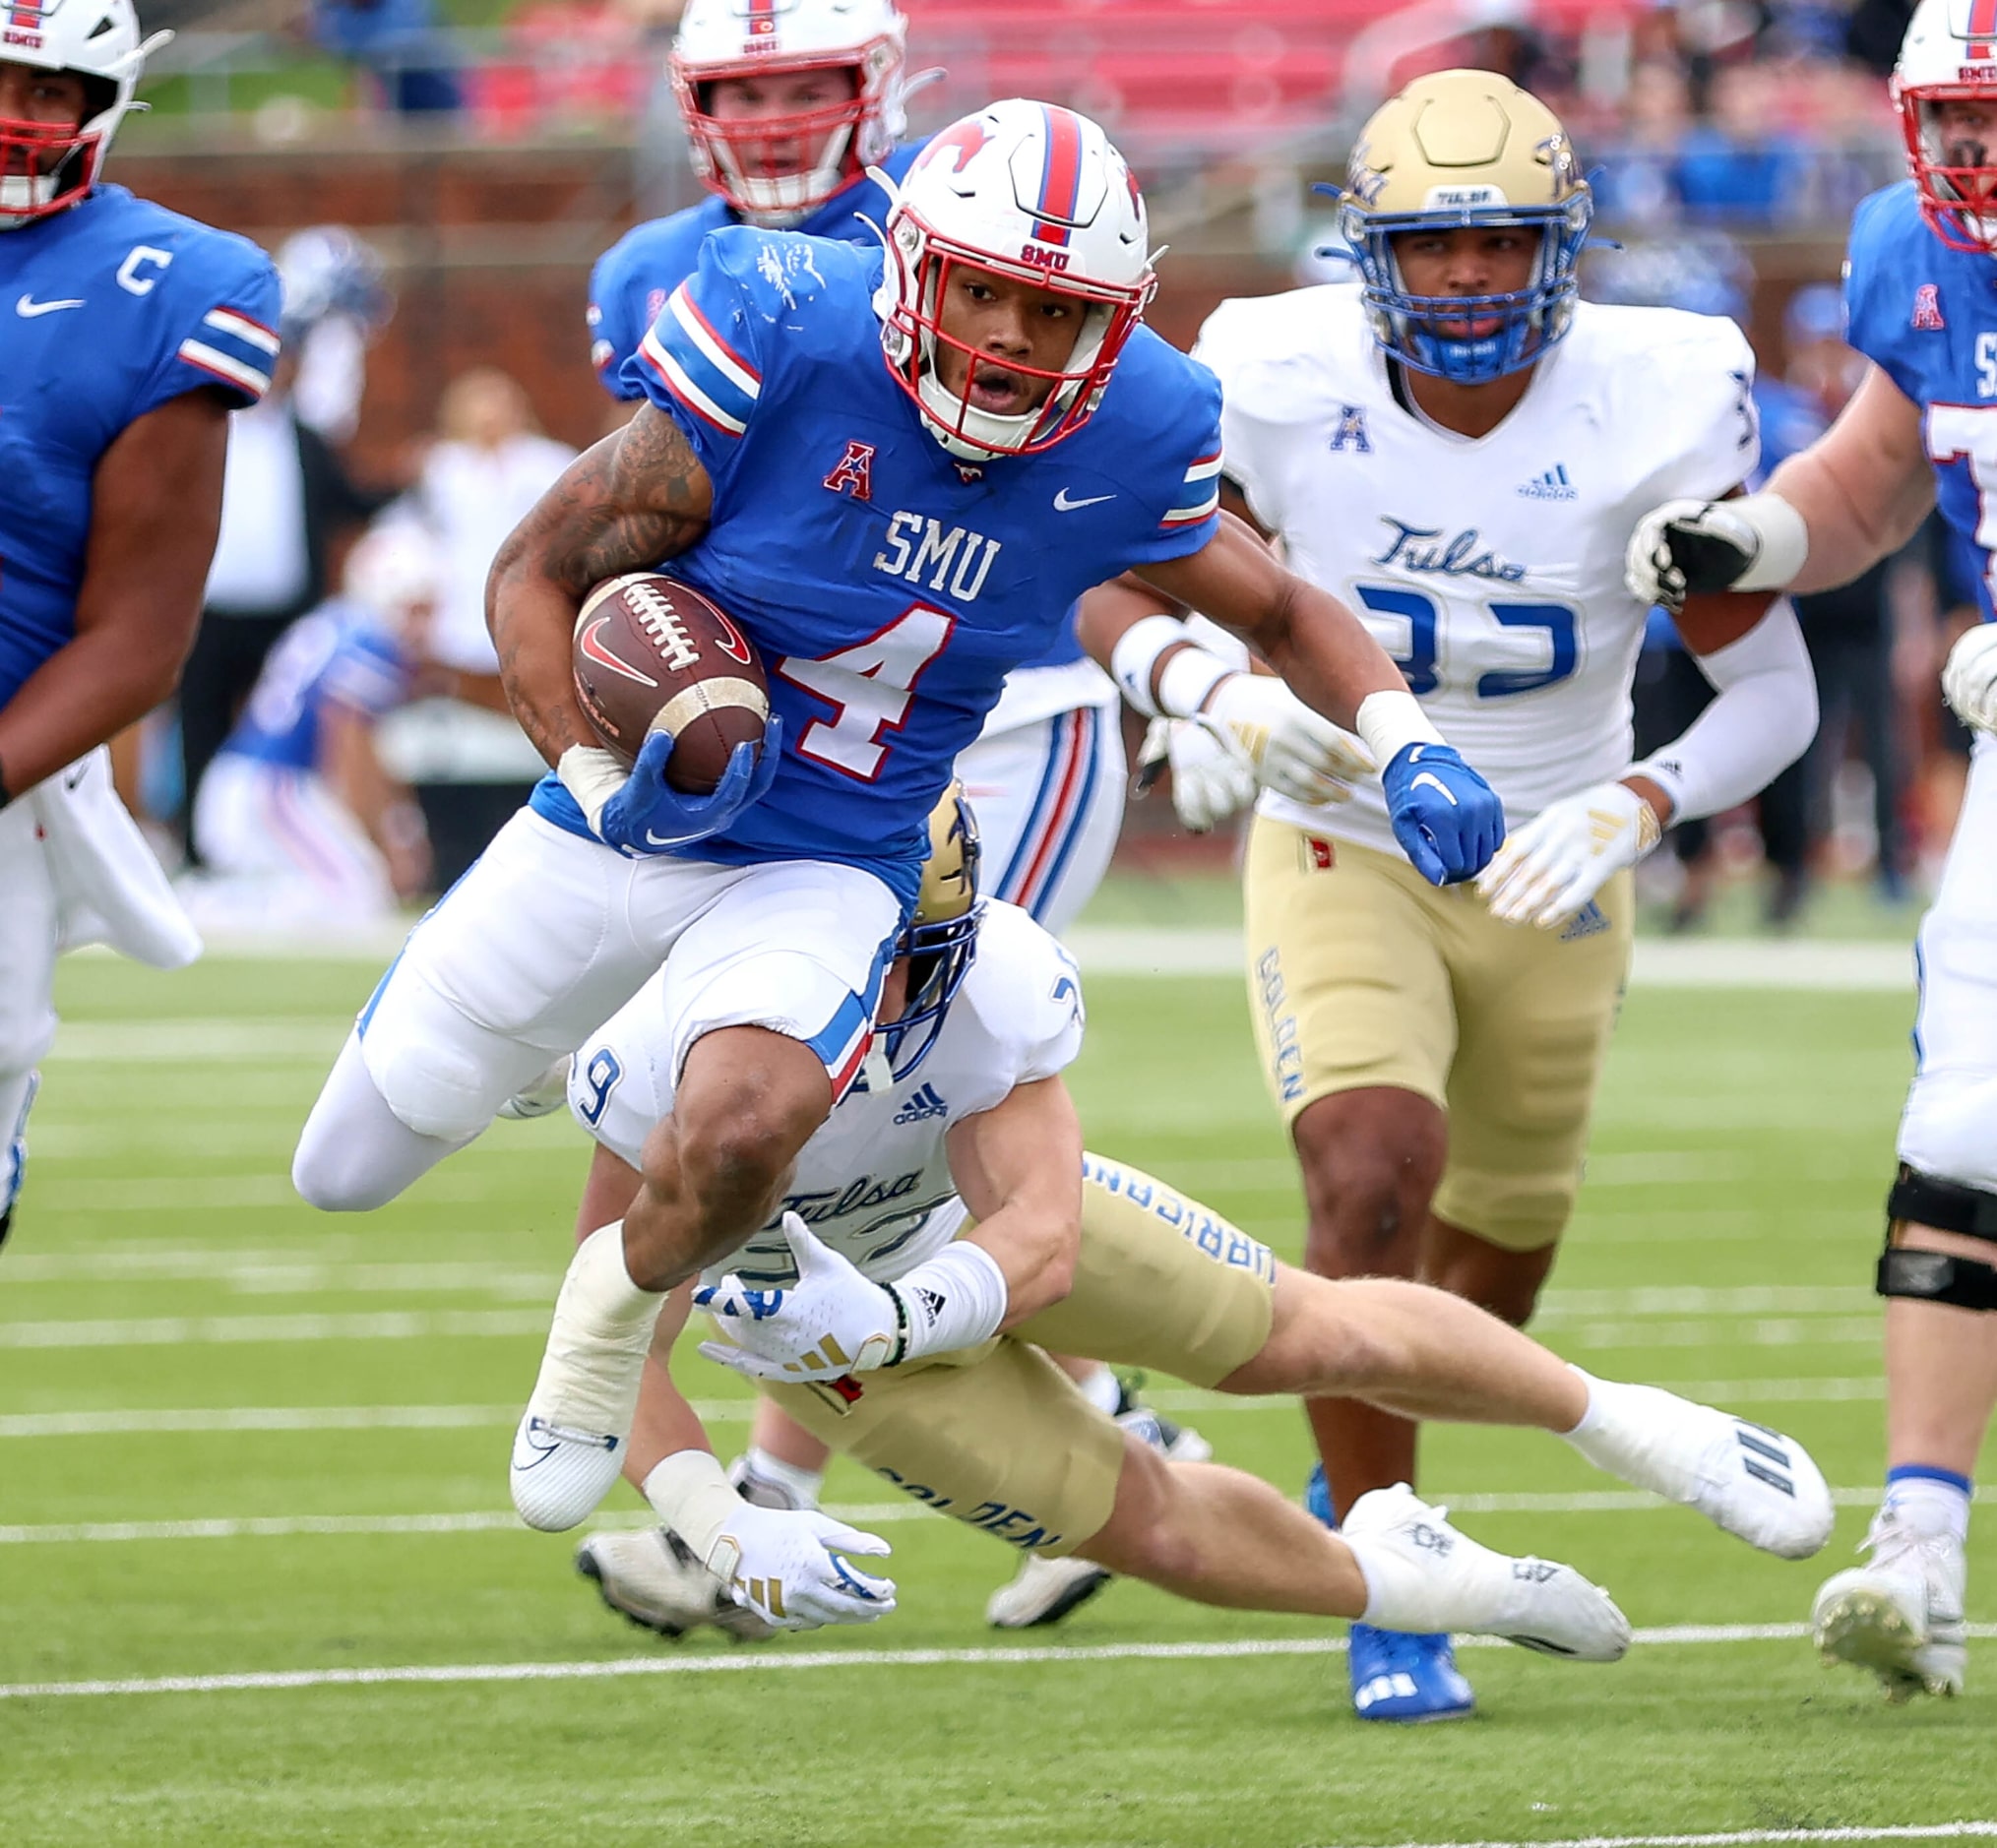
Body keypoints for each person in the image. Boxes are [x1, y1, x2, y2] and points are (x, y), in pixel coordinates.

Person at [313, 98, 1501, 1544]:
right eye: (981, 289)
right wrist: (584, 773)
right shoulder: (788, 329)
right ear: (908, 267)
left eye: (1052, 313)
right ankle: (542, 1032)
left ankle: (602, 1323)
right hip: (634, 817)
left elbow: (1286, 606)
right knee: (348, 1167)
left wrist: (1407, 743)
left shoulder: (1142, 425)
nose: (1006, 337)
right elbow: (534, 570)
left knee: (753, 1123)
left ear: (1112, 323)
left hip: (837, 855)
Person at [581, 0, 1354, 1632]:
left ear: (878, 93)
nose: (779, 116)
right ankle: (988, 1450)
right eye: (743, 87)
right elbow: (654, 541)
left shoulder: (970, 240)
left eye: (808, 83)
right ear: (690, 102)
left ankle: (850, 1476)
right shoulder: (664, 269)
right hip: (783, 755)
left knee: (878, 1096)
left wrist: (1185, 679)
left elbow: (1049, 539)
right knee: (772, 1104)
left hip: (999, 729)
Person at [1079, 69, 1818, 1722]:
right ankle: (1388, 1574)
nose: (1470, 277)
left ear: (1558, 247)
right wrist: (1200, 693)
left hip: (1558, 858)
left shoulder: (1660, 392)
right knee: (1363, 1178)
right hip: (1345, 834)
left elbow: (1771, 694)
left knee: (1489, 1281)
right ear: (1368, 253)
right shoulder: (1268, 375)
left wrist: (1638, 801)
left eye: (1499, 241)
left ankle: (1368, 1479)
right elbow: (1121, 579)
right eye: (1434, 245)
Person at [546, 784, 1833, 1658]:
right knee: (1145, 1523)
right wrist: (722, 1520)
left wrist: (890, 1314)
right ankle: (1443, 1579)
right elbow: (616, 1339)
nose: (879, 992)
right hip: (819, 1348)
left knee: (1299, 1328)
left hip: (949, 1249)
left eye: (905, 952)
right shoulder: (656, 1055)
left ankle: (1644, 1430)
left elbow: (1040, 1233)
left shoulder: (989, 982)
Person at [1625, 0, 1997, 1703]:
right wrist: (1747, 532)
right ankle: (1915, 1548)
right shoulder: (1914, 253)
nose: (1970, 158)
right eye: (1954, 122)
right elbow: (1872, 480)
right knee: (1962, 1119)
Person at [0, 5, 281, 1243]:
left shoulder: (171, 282)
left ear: (101, 105)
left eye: (44, 89)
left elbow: (137, 635)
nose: (14, 114)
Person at [181, 521, 432, 935]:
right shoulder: (370, 639)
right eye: (417, 607)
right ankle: (201, 904)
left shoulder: (335, 621)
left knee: (345, 891)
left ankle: (213, 898)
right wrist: (386, 840)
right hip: (273, 789)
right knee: (353, 895)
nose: (426, 624)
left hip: (250, 784)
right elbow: (347, 749)